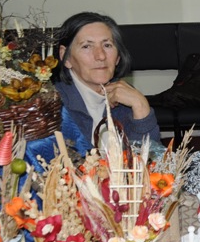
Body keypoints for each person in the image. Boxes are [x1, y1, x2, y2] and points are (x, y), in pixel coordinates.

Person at [53, 12, 160, 147]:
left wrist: (141, 107)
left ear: (118, 57)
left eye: (107, 45)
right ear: (66, 57)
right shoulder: (52, 106)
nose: (101, 56)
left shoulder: (125, 96)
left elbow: (149, 156)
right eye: (86, 46)